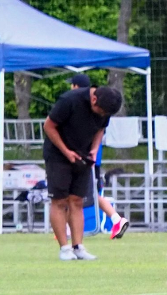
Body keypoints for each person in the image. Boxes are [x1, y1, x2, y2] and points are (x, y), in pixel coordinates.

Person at [42, 83, 122, 260]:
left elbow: (100, 129)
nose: (102, 116)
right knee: (60, 200)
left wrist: (94, 150)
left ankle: (78, 247)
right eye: (100, 112)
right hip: (58, 155)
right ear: (94, 99)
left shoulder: (106, 106)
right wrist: (66, 152)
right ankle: (64, 248)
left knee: (77, 200)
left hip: (83, 154)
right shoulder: (69, 101)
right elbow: (48, 126)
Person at [67, 75, 129, 238]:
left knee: (85, 194)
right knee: (90, 194)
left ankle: (116, 219)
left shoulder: (89, 111)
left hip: (88, 159)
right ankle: (116, 220)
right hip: (91, 159)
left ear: (76, 87)